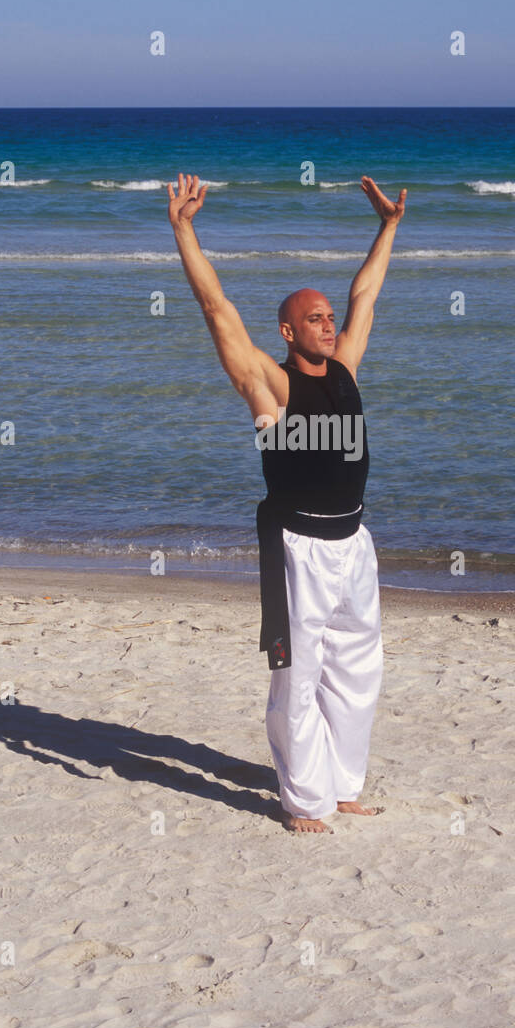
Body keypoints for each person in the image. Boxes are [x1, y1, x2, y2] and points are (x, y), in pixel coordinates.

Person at [167, 172, 407, 832]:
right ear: (288, 330)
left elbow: (367, 294)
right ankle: (303, 800)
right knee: (298, 676)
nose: (330, 326)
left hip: (354, 543)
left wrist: (387, 227)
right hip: (297, 547)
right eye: (315, 319)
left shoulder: (346, 370)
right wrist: (184, 230)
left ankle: (343, 783)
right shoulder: (268, 388)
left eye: (329, 318)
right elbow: (218, 311)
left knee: (359, 667)